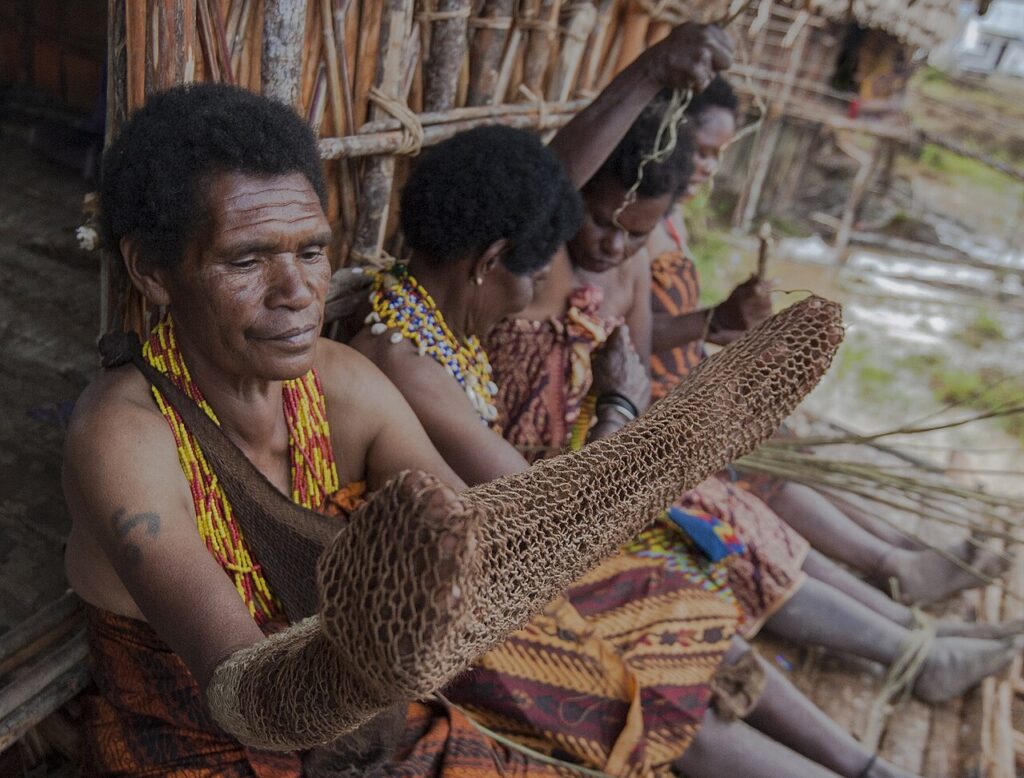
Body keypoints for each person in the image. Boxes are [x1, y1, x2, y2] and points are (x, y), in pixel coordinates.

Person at [64, 82, 825, 776]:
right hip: (204, 745)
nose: (297, 291)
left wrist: (667, 450)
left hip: (367, 731)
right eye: (245, 260)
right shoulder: (126, 436)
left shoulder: (340, 385)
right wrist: (379, 658)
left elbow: (492, 535)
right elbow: (245, 692)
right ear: (153, 273)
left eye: (310, 251)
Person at [349, 24, 920, 778]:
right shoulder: (403, 360)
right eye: (530, 278)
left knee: (698, 613)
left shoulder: (425, 324)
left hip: (515, 555)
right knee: (665, 667)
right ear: (491, 264)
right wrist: (621, 406)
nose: (536, 297)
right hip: (461, 600)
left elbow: (546, 189)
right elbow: (547, 506)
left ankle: (867, 755)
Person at [497, 97, 1021, 715]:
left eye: (634, 234)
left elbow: (632, 366)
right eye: (603, 223)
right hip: (573, 477)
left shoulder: (633, 258)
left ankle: (912, 636)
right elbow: (612, 395)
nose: (615, 244)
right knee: (728, 516)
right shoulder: (543, 261)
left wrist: (702, 396)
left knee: (734, 514)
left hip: (618, 453)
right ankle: (908, 624)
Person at [646, 74, 1013, 609]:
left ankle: (904, 551)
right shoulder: (632, 225)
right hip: (661, 407)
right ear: (671, 140)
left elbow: (688, 325)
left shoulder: (669, 216)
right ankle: (893, 568)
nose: (706, 168)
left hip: (685, 383)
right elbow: (637, 334)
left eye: (716, 156)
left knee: (782, 436)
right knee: (754, 459)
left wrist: (737, 337)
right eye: (699, 153)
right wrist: (711, 331)